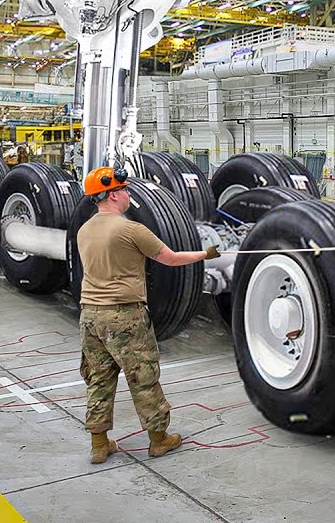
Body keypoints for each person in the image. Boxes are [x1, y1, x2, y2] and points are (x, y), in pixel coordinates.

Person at [76, 165, 220, 464]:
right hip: (124, 316)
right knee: (143, 377)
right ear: (113, 195)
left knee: (99, 380)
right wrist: (205, 254)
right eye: (125, 190)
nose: (128, 194)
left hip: (90, 316)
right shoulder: (130, 229)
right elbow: (170, 258)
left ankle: (99, 445)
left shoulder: (84, 229)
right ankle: (158, 439)